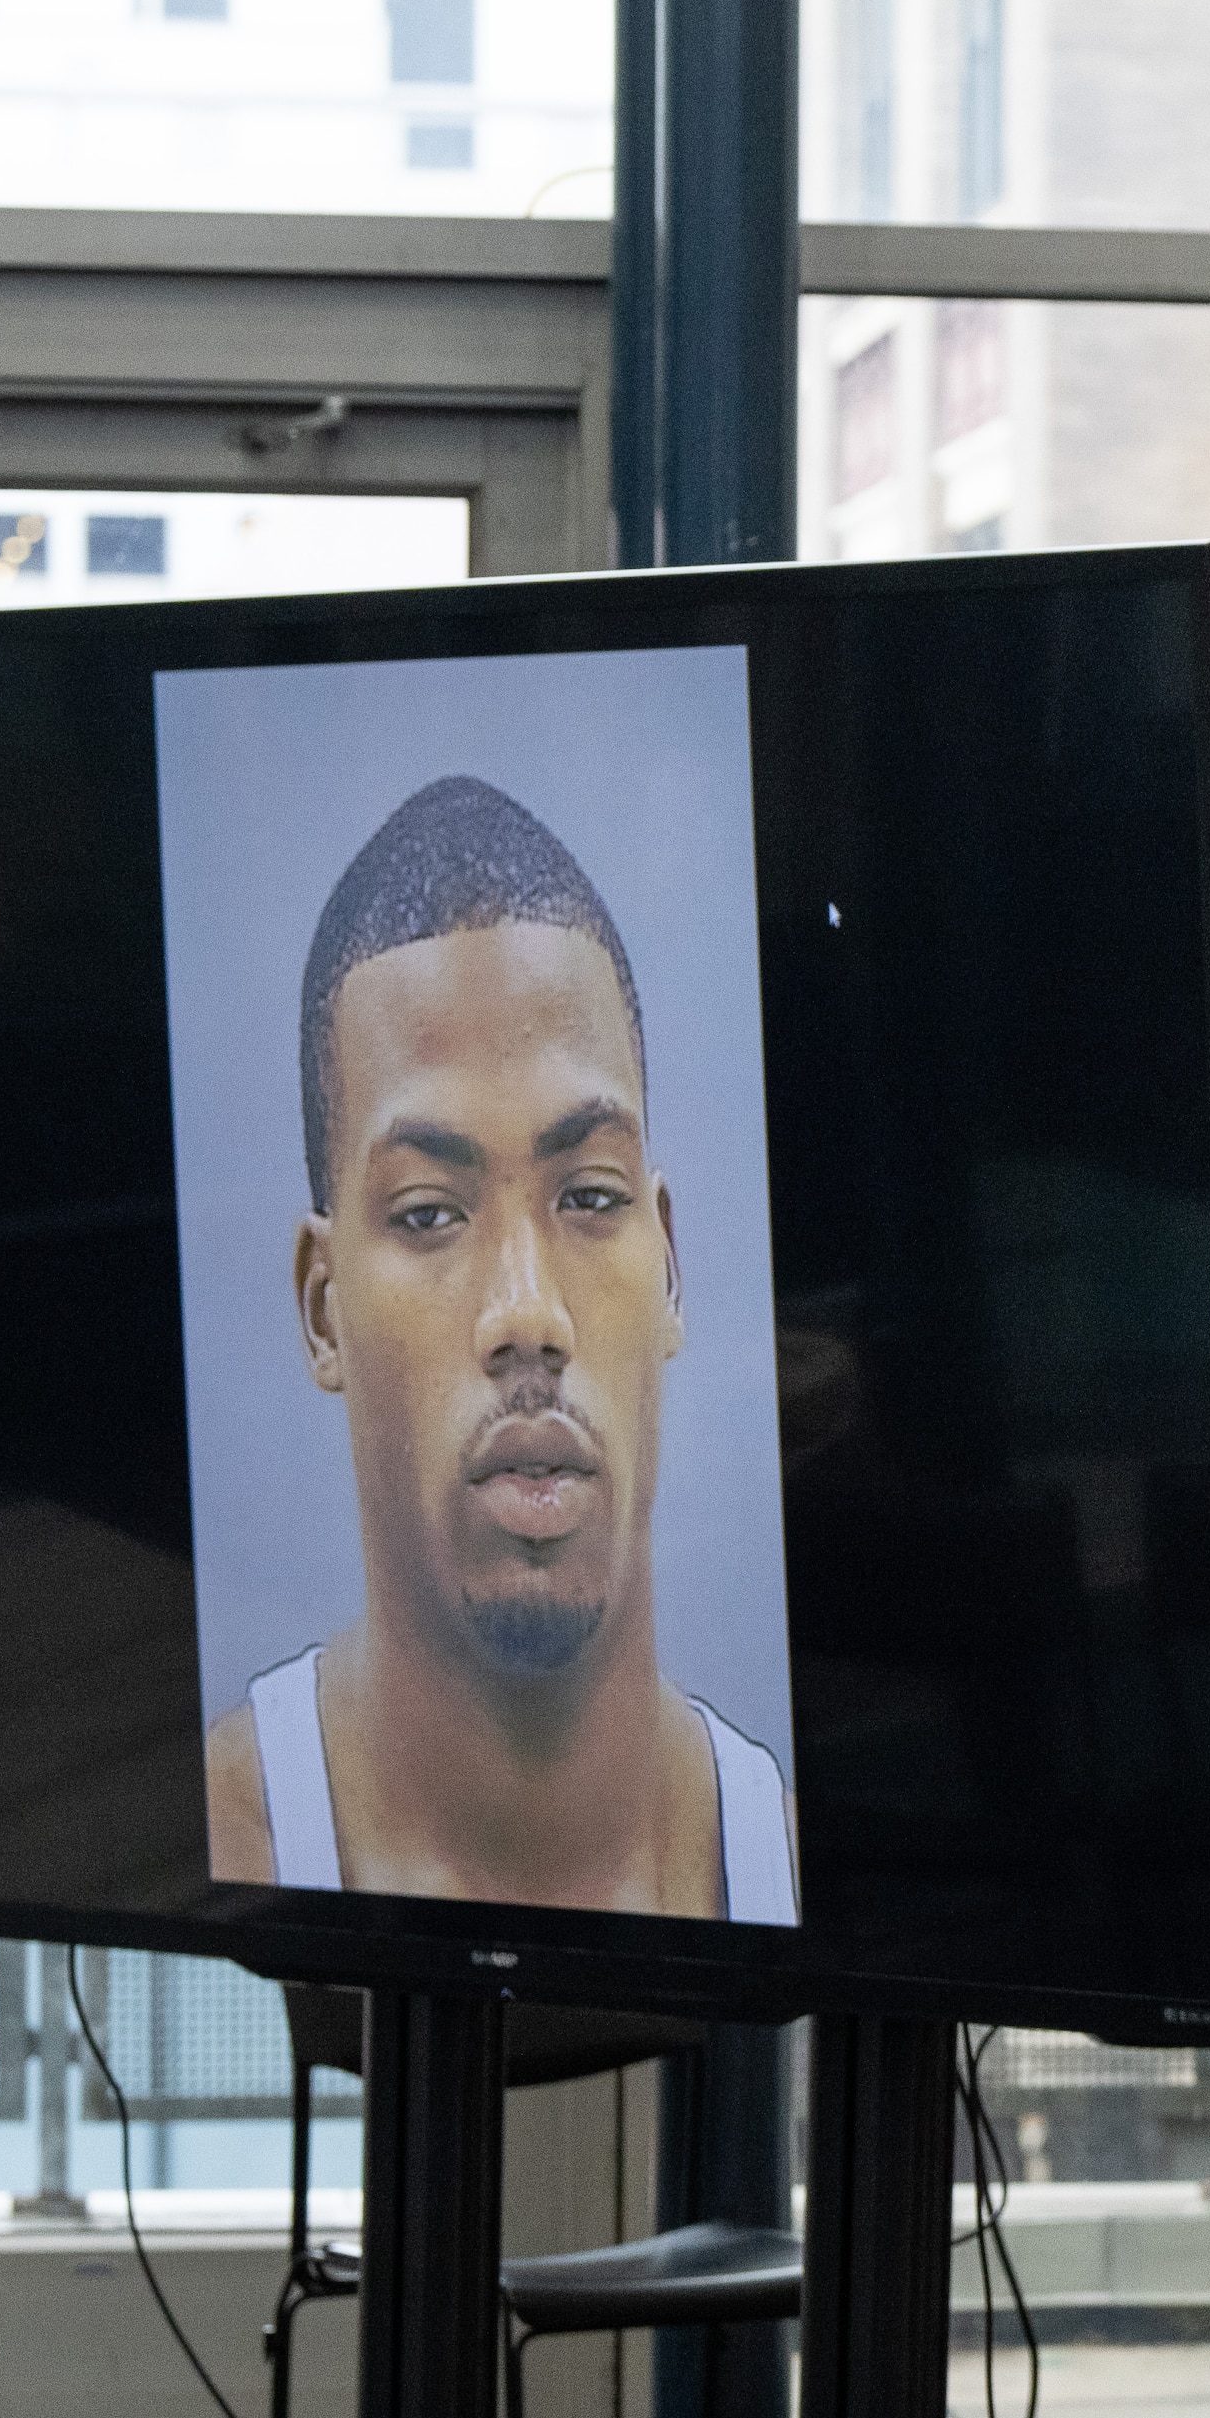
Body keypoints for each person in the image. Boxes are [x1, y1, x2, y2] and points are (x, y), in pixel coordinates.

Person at [202, 773, 799, 1925]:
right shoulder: (227, 1836)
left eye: (588, 1195)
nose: (527, 1315)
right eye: (429, 1211)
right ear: (322, 1309)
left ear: (668, 1267)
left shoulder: (795, 1858)